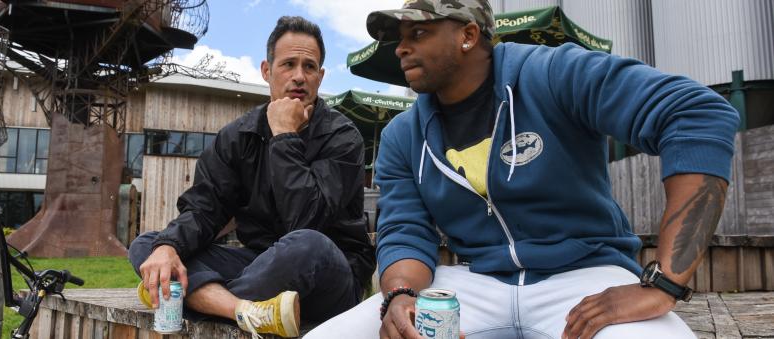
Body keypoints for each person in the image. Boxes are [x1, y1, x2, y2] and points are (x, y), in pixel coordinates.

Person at [305, 1, 739, 338]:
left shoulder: (552, 73)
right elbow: (405, 233)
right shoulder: (403, 135)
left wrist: (664, 282)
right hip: (475, 282)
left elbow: (696, 113)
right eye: (399, 37)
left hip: (584, 276)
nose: (401, 48)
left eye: (418, 32)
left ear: (468, 35)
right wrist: (399, 295)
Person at [128, 16, 375, 338]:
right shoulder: (237, 136)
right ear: (267, 71)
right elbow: (204, 209)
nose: (299, 76)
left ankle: (198, 297)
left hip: (329, 271)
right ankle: (244, 311)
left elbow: (307, 221)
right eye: (288, 64)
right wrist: (168, 247)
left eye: (309, 67)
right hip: (259, 264)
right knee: (150, 244)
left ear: (321, 76)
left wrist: (285, 135)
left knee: (307, 244)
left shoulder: (342, 136)